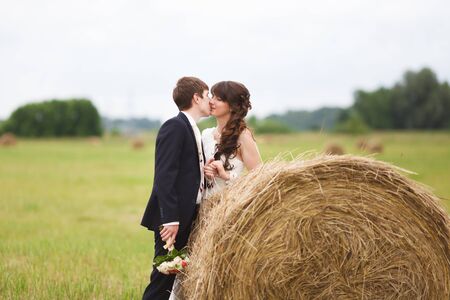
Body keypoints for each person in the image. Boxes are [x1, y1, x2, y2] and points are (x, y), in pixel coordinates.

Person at [168, 81, 262, 300]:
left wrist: (226, 175)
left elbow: (260, 177)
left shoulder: (243, 136)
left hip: (229, 213)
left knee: (223, 273)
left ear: (232, 105)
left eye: (219, 98)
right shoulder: (206, 134)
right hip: (201, 211)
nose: (212, 101)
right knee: (192, 272)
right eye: (212, 96)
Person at [140, 76, 211, 300]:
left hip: (188, 215)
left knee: (177, 281)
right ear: (196, 98)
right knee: (162, 281)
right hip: (172, 220)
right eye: (207, 95)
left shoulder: (193, 129)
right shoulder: (175, 126)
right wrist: (170, 219)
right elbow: (164, 176)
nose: (210, 100)